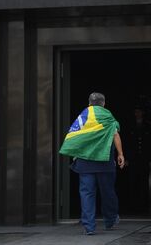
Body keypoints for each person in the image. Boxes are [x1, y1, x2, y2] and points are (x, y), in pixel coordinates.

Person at [59, 92, 125, 235]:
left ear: (89, 103)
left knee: (87, 193)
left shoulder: (83, 116)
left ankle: (89, 227)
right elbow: (115, 134)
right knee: (108, 192)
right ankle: (110, 220)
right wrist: (120, 154)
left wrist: (73, 152)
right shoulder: (107, 115)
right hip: (105, 162)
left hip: (85, 163)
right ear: (104, 103)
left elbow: (75, 135)